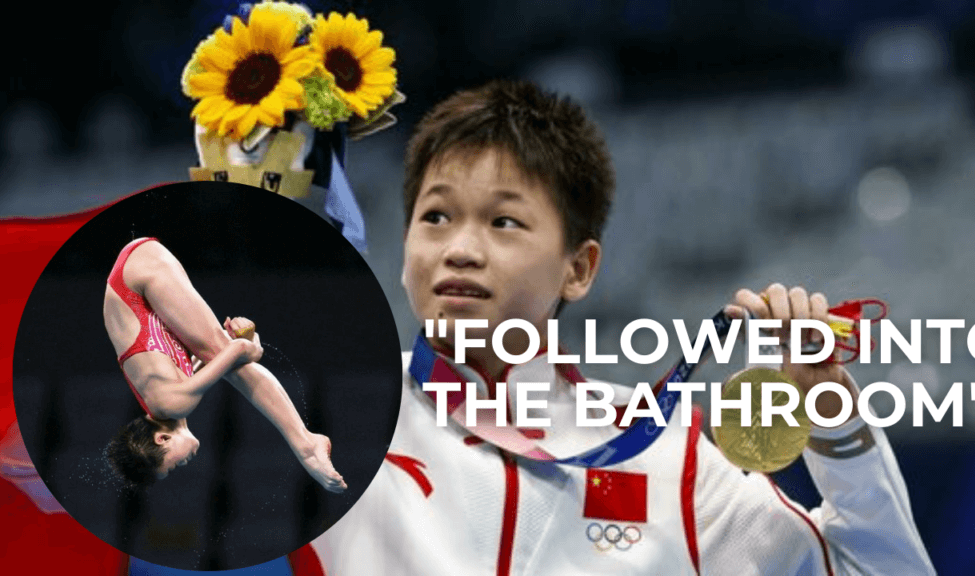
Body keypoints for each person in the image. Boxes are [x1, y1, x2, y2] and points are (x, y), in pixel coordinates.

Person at [307, 80, 935, 574]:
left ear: (578, 269)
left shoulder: (669, 456)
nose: (460, 249)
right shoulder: (331, 409)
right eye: (436, 216)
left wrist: (837, 424)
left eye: (504, 222)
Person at [103, 236, 346, 493]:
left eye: (172, 466)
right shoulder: (163, 401)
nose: (183, 465)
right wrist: (236, 342)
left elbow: (238, 351)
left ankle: (306, 446)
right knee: (219, 353)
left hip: (136, 275)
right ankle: (305, 443)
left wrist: (251, 348)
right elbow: (216, 357)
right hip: (131, 272)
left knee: (221, 352)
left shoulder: (173, 404)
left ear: (161, 438)